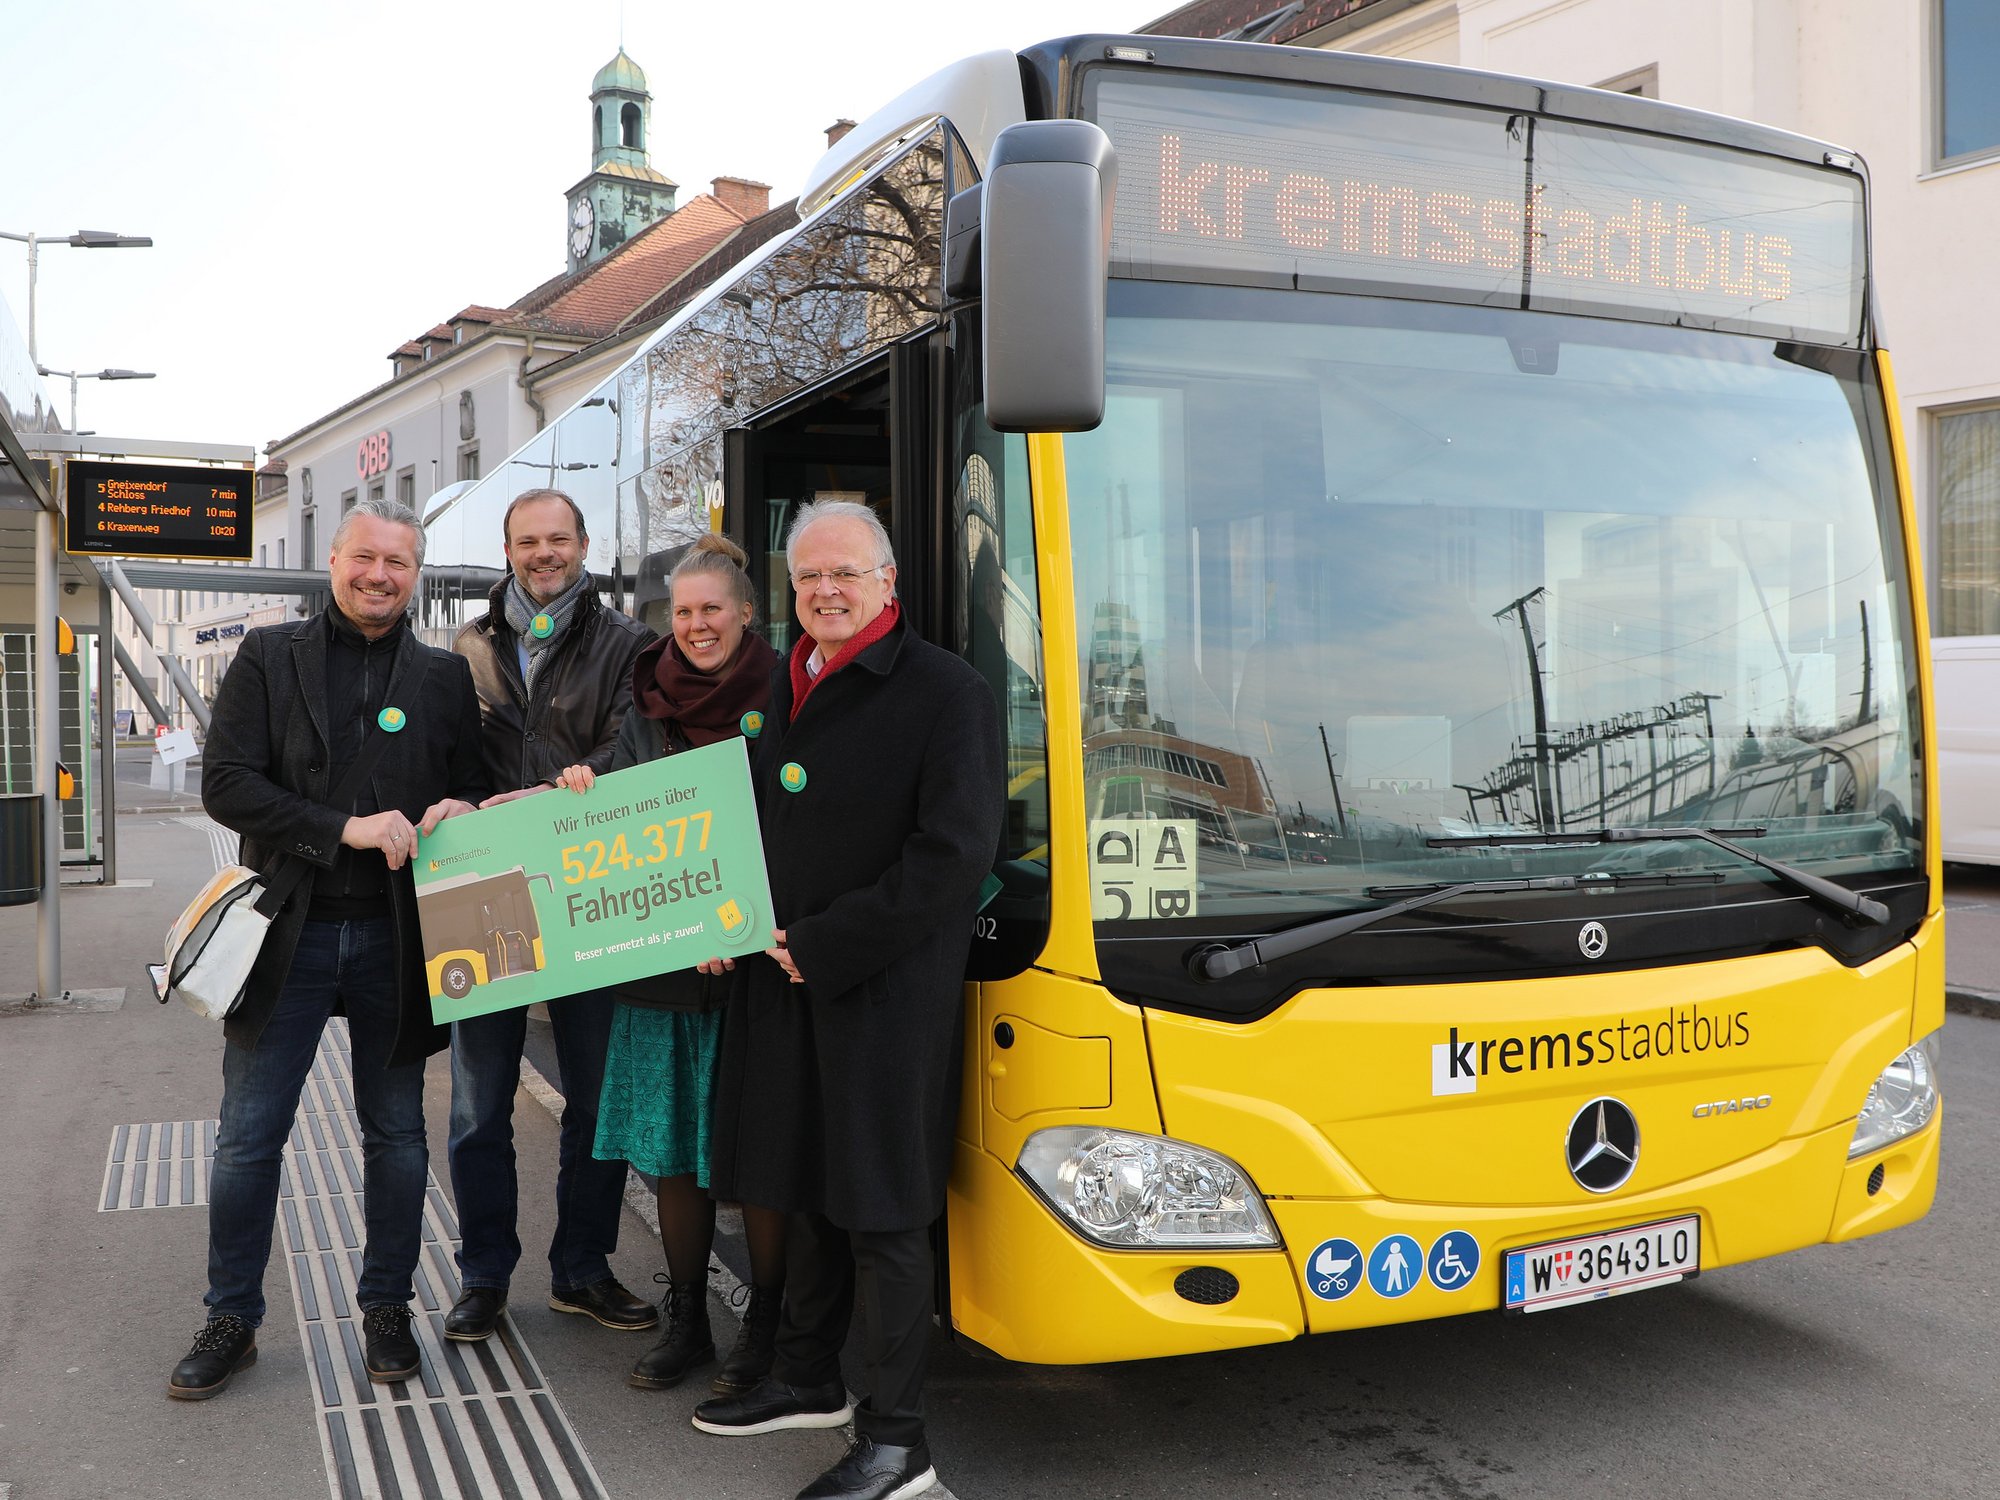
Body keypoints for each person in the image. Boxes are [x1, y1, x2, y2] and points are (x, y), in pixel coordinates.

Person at [692, 500, 1004, 1500]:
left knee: (882, 1214)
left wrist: (822, 946)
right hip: (789, 986)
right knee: (806, 1186)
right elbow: (751, 822)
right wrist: (719, 920)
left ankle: (897, 1443)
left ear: (887, 584)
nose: (825, 591)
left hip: (877, 997)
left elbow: (953, 857)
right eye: (809, 578)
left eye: (846, 575)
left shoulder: (944, 691)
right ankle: (806, 1376)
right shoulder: (788, 682)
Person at [168, 496, 488, 1399]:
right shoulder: (270, 657)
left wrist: (459, 807)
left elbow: (468, 785)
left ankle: (386, 1308)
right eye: (365, 558)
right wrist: (343, 828)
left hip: (398, 937)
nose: (380, 576)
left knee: (396, 1135)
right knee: (247, 1139)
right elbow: (227, 786)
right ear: (336, 560)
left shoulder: (445, 678)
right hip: (289, 934)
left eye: (398, 563)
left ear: (416, 573)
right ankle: (232, 1316)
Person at [553, 532, 790, 1393]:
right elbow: (617, 796)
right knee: (673, 1152)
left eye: (711, 611)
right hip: (663, 964)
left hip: (754, 967)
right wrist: (582, 782)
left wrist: (744, 921)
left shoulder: (788, 692)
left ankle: (765, 1329)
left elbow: (799, 828)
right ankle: (689, 1317)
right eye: (683, 611)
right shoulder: (646, 699)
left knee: (758, 1153)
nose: (695, 626)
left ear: (745, 614)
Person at [444, 487, 658, 1341]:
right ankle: (484, 1275)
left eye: (559, 539)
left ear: (582, 544)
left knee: (597, 1099)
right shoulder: (466, 647)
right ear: (509, 550)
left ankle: (583, 1269)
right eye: (529, 541)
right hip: (484, 886)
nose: (545, 554)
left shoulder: (628, 644)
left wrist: (591, 776)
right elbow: (446, 755)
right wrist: (451, 804)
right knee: (476, 1103)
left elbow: (636, 743)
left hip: (587, 881)